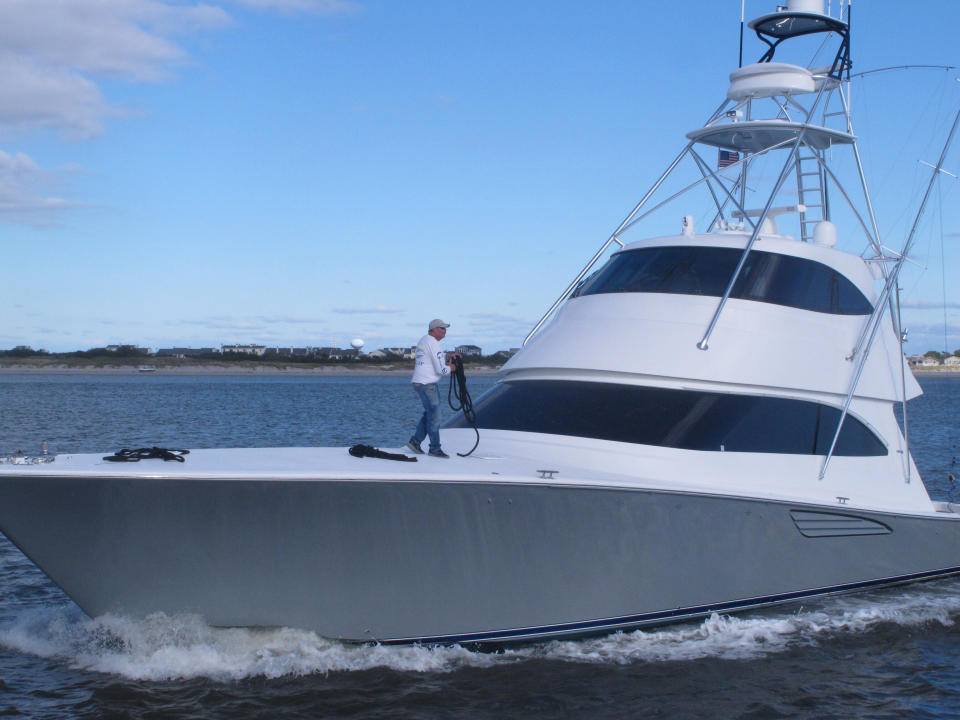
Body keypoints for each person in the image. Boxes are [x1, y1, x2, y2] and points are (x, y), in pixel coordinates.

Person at [407, 318, 457, 458]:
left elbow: (433, 357)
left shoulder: (425, 340)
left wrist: (448, 355)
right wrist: (451, 368)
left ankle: (415, 442)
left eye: (445, 328)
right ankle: (435, 449)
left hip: (420, 382)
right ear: (434, 329)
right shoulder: (433, 343)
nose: (444, 331)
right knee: (435, 418)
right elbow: (441, 370)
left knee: (430, 414)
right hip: (427, 384)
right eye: (442, 328)